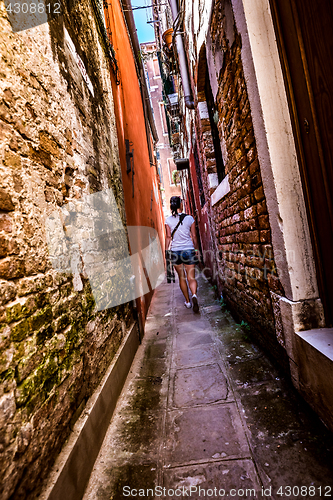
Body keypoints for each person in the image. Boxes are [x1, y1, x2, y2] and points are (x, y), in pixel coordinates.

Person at [165, 196, 200, 312]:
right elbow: (194, 236)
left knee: (182, 277)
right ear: (180, 205)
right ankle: (194, 295)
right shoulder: (190, 218)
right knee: (191, 277)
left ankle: (188, 302)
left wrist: (167, 251)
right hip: (189, 250)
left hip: (175, 251)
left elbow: (168, 237)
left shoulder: (168, 221)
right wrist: (196, 250)